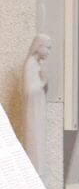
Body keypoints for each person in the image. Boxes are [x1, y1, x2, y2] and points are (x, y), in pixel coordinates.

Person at [22, 33, 52, 179]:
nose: (48, 52)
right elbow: (29, 91)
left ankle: (39, 175)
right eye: (47, 48)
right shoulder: (30, 65)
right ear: (38, 47)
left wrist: (44, 84)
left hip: (38, 111)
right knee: (35, 145)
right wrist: (43, 81)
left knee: (40, 145)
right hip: (33, 113)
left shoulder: (37, 65)